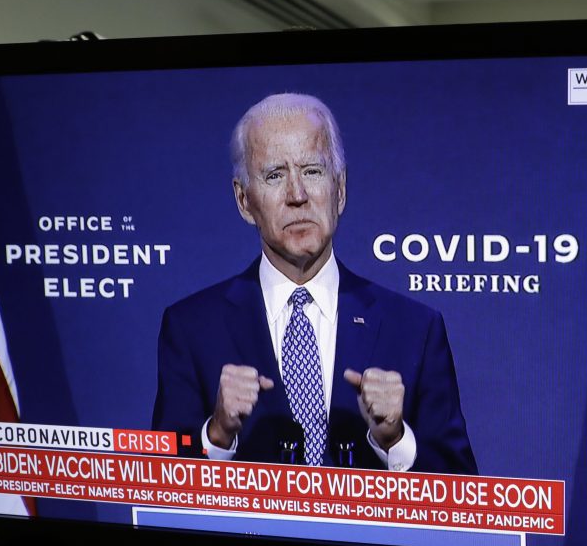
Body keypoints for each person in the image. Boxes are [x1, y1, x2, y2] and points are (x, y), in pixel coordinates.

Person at [152, 93, 476, 473]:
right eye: (275, 175)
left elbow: (462, 492)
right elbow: (162, 489)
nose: (298, 195)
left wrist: (395, 440)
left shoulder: (415, 329)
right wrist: (218, 435)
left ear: (339, 190)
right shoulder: (192, 328)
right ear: (244, 200)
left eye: (313, 171)